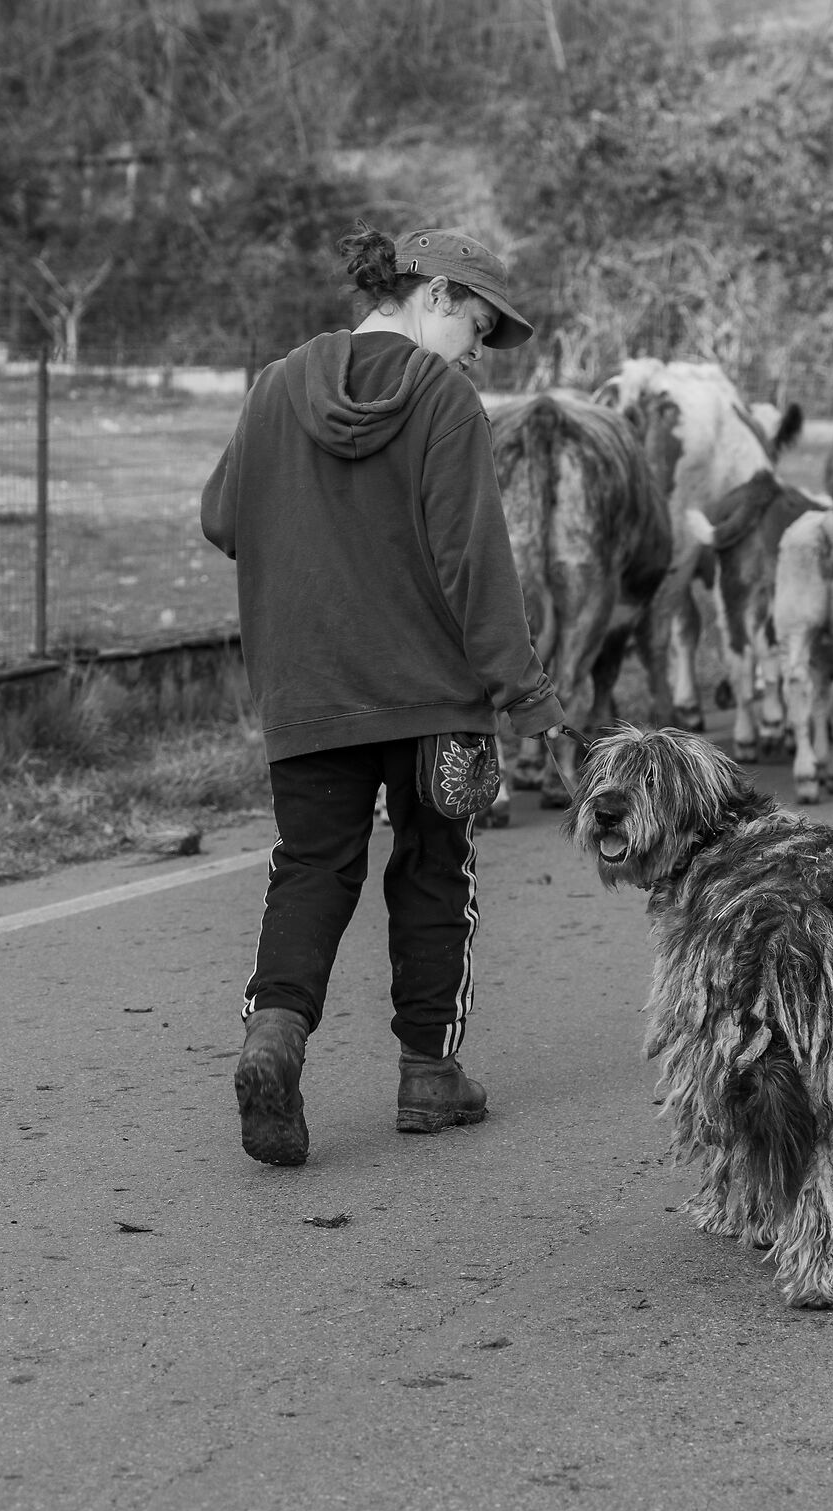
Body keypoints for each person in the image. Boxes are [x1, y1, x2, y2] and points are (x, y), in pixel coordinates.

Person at [201, 222, 570, 1168]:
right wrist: (529, 702)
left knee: (311, 866)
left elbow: (221, 516)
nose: (478, 354)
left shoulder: (279, 383)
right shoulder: (446, 402)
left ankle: (274, 1036)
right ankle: (427, 1074)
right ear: (436, 295)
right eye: (479, 328)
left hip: (309, 690)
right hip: (434, 702)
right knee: (434, 868)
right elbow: (474, 564)